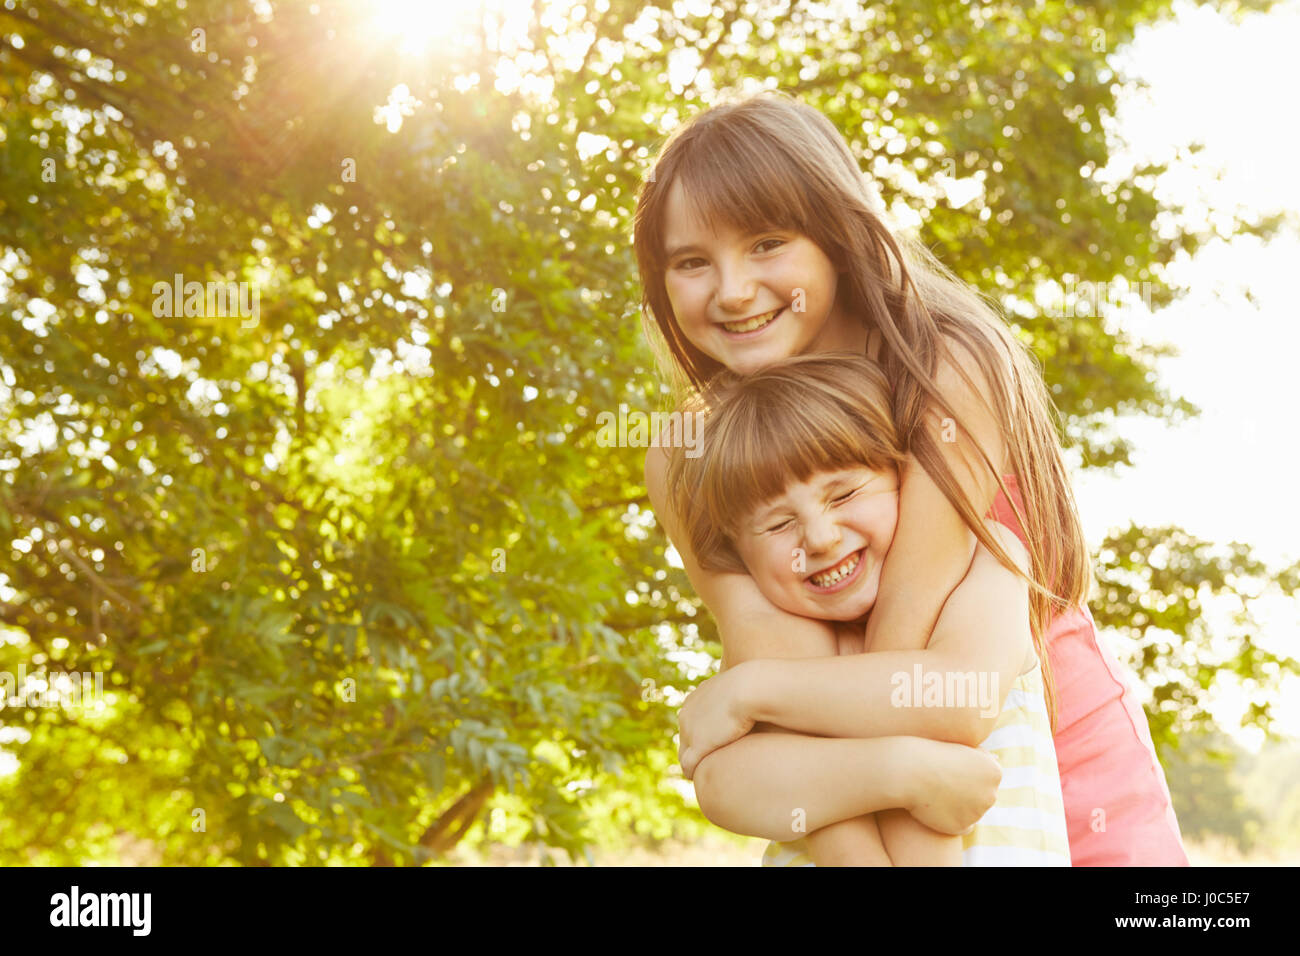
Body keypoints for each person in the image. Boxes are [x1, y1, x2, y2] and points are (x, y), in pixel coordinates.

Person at [636, 89, 1187, 865]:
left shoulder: (946, 367)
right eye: (692, 262)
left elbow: (923, 682)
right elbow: (792, 690)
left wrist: (755, 703)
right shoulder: (687, 450)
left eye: (766, 243)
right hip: (851, 790)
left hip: (1052, 753)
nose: (730, 290)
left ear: (834, 232)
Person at [667, 353, 1071, 865]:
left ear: (904, 477)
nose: (819, 537)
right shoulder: (789, 637)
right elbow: (724, 786)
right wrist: (903, 773)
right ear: (738, 553)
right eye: (775, 525)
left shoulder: (987, 561)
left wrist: (750, 691)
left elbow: (961, 701)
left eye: (844, 494)